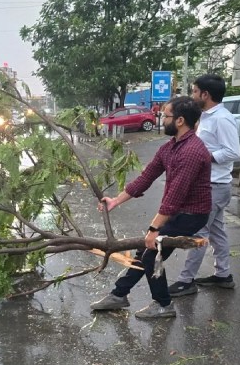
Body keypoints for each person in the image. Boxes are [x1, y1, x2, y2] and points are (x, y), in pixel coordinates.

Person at [90, 96, 212, 319]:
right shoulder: (171, 147)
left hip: (191, 215)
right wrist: (116, 200)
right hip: (177, 212)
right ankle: (119, 294)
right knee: (145, 252)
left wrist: (153, 229)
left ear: (180, 120)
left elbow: (174, 197)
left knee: (149, 255)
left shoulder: (192, 152)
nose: (160, 119)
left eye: (165, 116)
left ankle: (164, 305)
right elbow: (146, 177)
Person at [168, 74, 240, 297]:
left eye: (194, 91)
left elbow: (233, 152)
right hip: (207, 184)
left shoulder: (222, 119)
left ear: (205, 94)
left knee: (198, 232)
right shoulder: (205, 117)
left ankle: (186, 280)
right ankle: (223, 275)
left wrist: (203, 157)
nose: (192, 95)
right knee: (217, 231)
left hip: (215, 186)